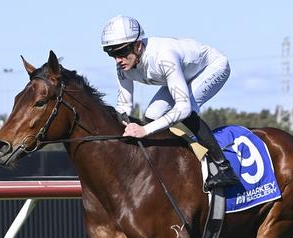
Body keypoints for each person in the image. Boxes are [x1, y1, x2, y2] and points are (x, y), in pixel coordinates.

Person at [101, 15, 239, 190]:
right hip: (183, 74)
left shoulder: (164, 57)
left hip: (212, 67)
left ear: (138, 46)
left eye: (121, 52)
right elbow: (124, 106)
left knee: (187, 112)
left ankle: (224, 168)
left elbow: (182, 108)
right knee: (152, 115)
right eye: (112, 53)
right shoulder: (123, 67)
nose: (117, 60)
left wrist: (143, 130)